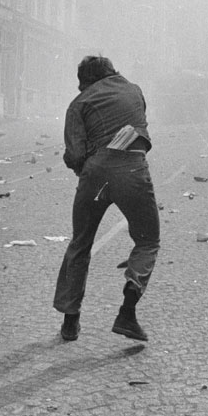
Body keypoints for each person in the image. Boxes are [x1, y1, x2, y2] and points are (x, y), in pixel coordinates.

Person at [54, 55, 160, 342]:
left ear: (85, 81)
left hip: (96, 175)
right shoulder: (134, 90)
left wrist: (87, 169)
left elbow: (74, 154)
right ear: (112, 72)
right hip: (133, 170)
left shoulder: (78, 103)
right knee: (147, 241)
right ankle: (127, 312)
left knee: (81, 243)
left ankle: (70, 321)